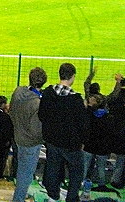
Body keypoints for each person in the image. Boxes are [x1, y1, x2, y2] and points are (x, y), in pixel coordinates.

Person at [39, 63, 88, 202]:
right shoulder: (76, 100)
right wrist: (83, 141)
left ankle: (53, 196)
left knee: (53, 168)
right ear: (72, 77)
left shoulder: (48, 93)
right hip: (71, 144)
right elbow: (83, 125)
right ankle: (72, 198)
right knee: (76, 172)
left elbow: (42, 115)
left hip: (52, 141)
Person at [9, 66, 47, 202]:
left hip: (18, 136)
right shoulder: (37, 103)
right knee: (26, 172)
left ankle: (21, 194)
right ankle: (18, 198)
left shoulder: (18, 91)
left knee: (22, 169)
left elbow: (11, 112)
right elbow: (37, 130)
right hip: (30, 142)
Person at [82, 93, 113, 188]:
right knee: (101, 167)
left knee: (85, 166)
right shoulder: (108, 117)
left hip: (89, 144)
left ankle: (81, 183)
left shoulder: (89, 114)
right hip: (102, 146)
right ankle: (101, 184)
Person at [108, 73, 125, 189]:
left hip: (113, 132)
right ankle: (116, 180)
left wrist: (118, 83)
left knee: (103, 155)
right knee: (121, 159)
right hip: (123, 135)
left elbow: (111, 99)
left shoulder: (115, 98)